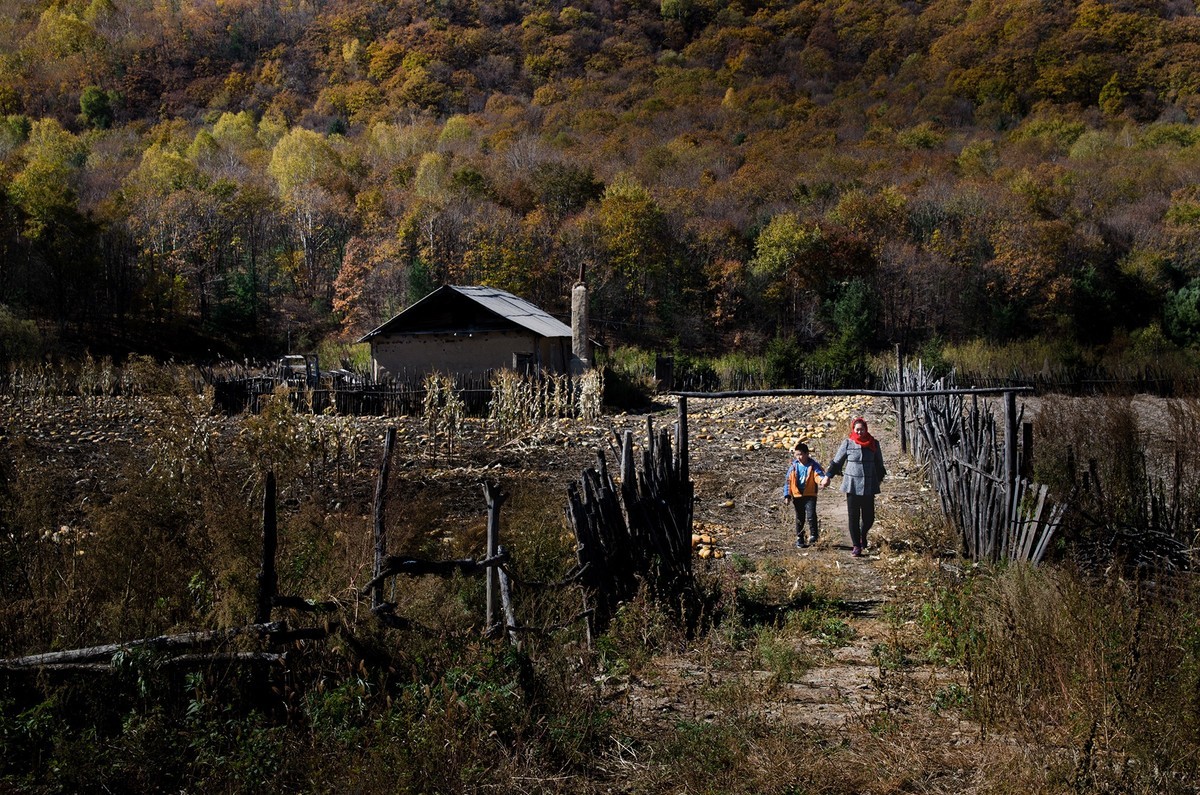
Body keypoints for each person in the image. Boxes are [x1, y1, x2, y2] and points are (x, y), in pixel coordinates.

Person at [824, 417, 886, 557]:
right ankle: (856, 545)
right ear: (853, 429)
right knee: (854, 517)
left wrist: (878, 480)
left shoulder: (874, 443)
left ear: (866, 429)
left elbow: (879, 464)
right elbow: (836, 462)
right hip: (852, 485)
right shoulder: (847, 443)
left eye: (862, 429)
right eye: (857, 429)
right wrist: (828, 476)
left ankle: (863, 535)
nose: (859, 432)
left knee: (869, 517)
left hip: (868, 485)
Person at [782, 442, 827, 548]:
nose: (799, 457)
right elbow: (788, 481)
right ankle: (800, 537)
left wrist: (821, 481)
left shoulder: (813, 465)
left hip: (810, 494)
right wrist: (787, 495)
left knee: (811, 516)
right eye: (797, 454)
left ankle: (813, 536)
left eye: (801, 454)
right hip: (797, 495)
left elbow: (818, 475)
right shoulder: (793, 466)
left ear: (807, 454)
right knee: (799, 517)